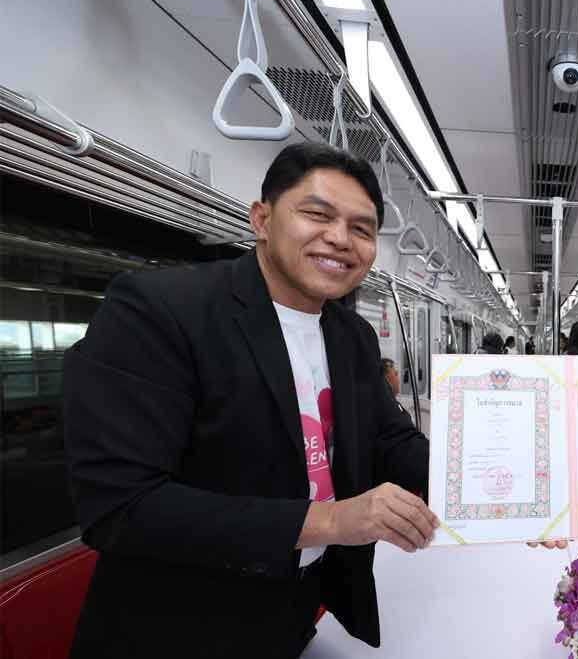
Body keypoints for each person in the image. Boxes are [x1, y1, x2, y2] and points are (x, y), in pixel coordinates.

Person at [63, 142, 438, 659]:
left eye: (362, 228)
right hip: (178, 631)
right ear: (261, 219)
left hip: (295, 616)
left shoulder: (351, 335)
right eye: (318, 214)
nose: (340, 238)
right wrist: (332, 521)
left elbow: (390, 440)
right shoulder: (162, 311)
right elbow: (121, 505)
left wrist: (503, 493)